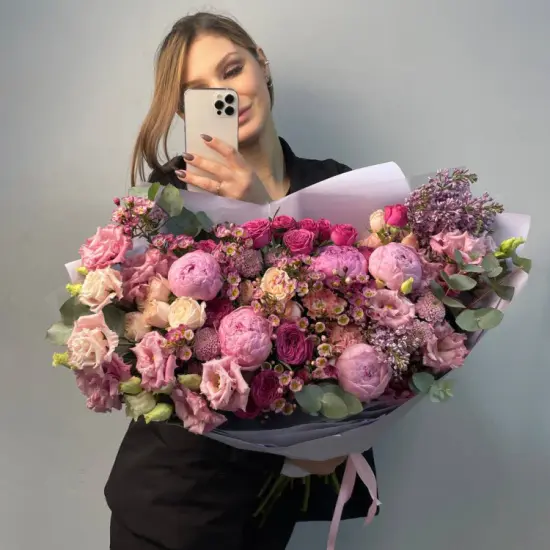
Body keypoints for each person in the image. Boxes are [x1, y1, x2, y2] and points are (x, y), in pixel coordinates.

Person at [105, 11, 378, 550]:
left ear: (262, 64)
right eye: (202, 91)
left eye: (232, 70)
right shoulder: (176, 192)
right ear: (186, 112)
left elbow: (361, 321)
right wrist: (253, 215)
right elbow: (164, 342)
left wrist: (338, 430)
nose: (226, 94)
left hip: (271, 505)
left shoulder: (336, 186)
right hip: (175, 497)